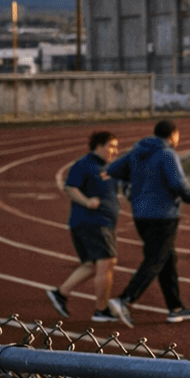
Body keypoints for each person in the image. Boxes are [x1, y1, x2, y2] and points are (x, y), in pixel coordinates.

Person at [108, 119, 190, 324]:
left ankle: (175, 308)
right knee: (156, 258)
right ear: (172, 135)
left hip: (140, 214)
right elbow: (177, 182)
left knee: (167, 258)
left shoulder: (137, 152)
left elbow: (114, 169)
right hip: (163, 214)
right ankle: (125, 299)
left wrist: (132, 183)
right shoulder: (167, 154)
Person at [47, 130, 129, 325]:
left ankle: (60, 294)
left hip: (99, 223)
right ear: (98, 146)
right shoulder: (84, 164)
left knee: (91, 265)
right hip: (92, 222)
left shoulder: (108, 167)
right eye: (111, 146)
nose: (115, 150)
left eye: (116, 147)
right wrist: (87, 201)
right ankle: (101, 310)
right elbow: (70, 187)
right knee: (107, 261)